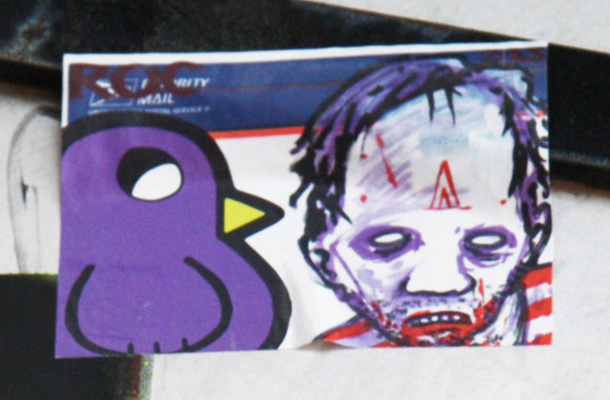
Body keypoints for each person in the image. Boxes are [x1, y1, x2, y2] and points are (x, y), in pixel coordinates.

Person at [289, 58, 552, 347]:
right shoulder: (338, 352)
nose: (441, 284)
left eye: (486, 244)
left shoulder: (563, 310)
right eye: (387, 244)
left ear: (535, 236)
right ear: (321, 255)